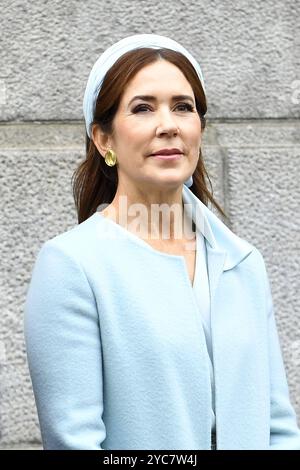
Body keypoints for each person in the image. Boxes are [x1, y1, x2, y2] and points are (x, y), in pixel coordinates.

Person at [24, 33, 300, 450]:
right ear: (103, 139)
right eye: (143, 108)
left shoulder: (242, 263)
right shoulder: (72, 264)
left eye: (183, 107)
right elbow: (74, 441)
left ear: (199, 129)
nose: (168, 124)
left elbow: (278, 428)